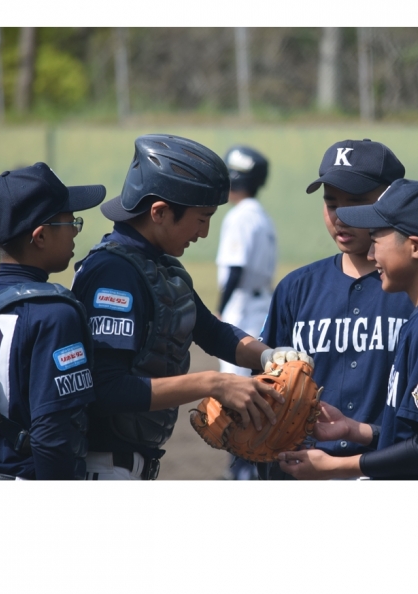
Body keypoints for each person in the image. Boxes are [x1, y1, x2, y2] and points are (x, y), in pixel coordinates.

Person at [71, 134, 282, 481]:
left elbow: (212, 332)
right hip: (102, 467)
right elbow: (107, 388)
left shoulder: (162, 267)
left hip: (130, 465)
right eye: (202, 218)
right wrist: (213, 383)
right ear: (159, 212)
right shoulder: (114, 273)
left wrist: (270, 357)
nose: (205, 232)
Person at [278, 179, 418, 480]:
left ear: (416, 247)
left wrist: (334, 466)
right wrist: (355, 429)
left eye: (377, 239)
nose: (370, 255)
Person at [257, 139, 415, 480]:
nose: (340, 217)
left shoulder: (415, 289)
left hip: (390, 468)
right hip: (305, 470)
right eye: (331, 203)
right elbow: (267, 380)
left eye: (356, 202)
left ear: (393, 200)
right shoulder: (296, 288)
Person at [0, 163, 106, 480]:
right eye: (70, 221)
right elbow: (52, 438)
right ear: (41, 236)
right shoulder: (54, 314)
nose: (75, 230)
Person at [216, 146, 277, 481]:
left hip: (241, 308)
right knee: (254, 384)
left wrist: (219, 310)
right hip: (261, 306)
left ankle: (242, 468)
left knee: (236, 390)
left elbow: (235, 268)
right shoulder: (262, 216)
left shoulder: (239, 217)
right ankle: (249, 465)